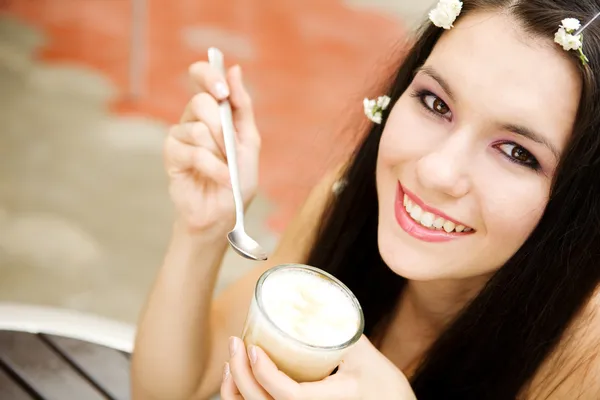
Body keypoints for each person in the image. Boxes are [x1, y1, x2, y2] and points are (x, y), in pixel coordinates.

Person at [130, 0, 600, 398]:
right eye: (436, 103)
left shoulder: (587, 353)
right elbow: (181, 387)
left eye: (517, 153)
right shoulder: (354, 202)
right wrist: (201, 231)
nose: (436, 171)